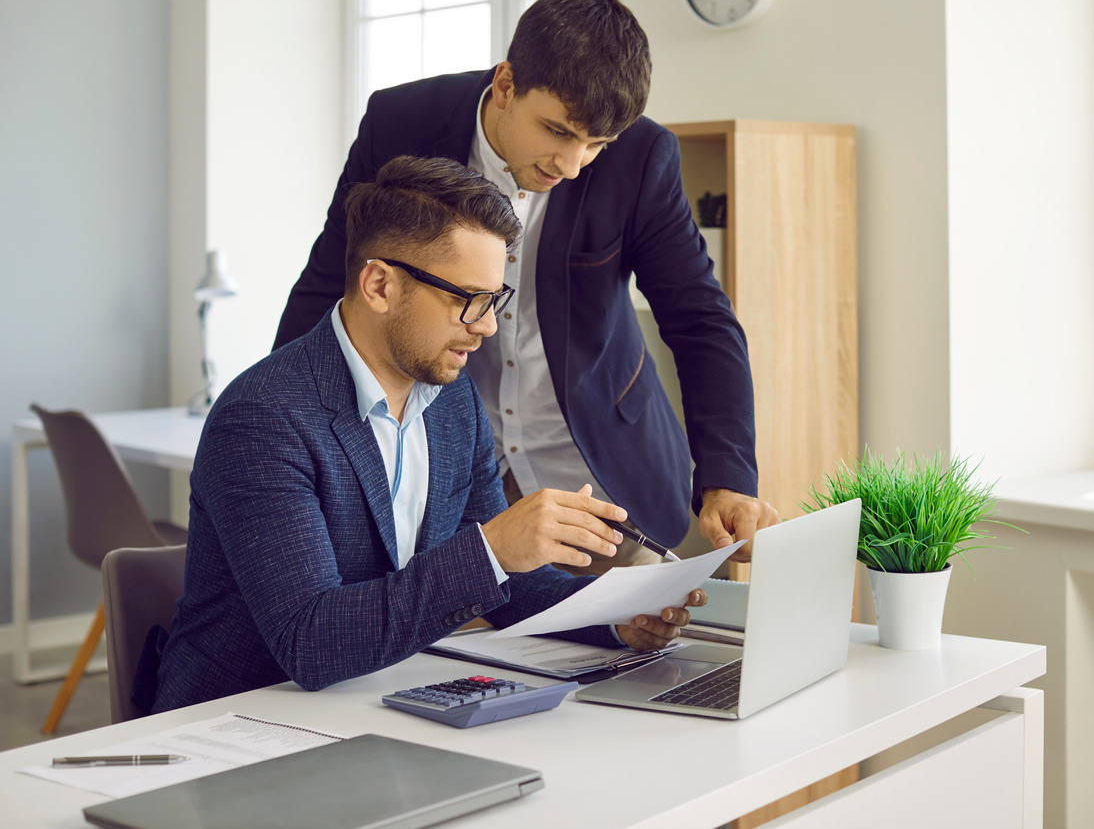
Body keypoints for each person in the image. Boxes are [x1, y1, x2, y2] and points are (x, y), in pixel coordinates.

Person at [148, 156, 701, 713]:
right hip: (238, 722)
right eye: (468, 300)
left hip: (374, 703)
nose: (486, 326)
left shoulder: (450, 401)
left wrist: (619, 617)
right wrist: (492, 549)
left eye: (495, 299)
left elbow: (509, 588)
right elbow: (311, 642)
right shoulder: (264, 418)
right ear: (380, 285)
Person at [273, 0, 778, 569]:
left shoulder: (643, 159)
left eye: (595, 145)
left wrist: (728, 475)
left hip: (599, 486)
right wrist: (278, 426)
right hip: (448, 478)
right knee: (449, 652)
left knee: (628, 646)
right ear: (506, 85)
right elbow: (331, 281)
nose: (571, 165)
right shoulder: (399, 123)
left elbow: (700, 319)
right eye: (558, 132)